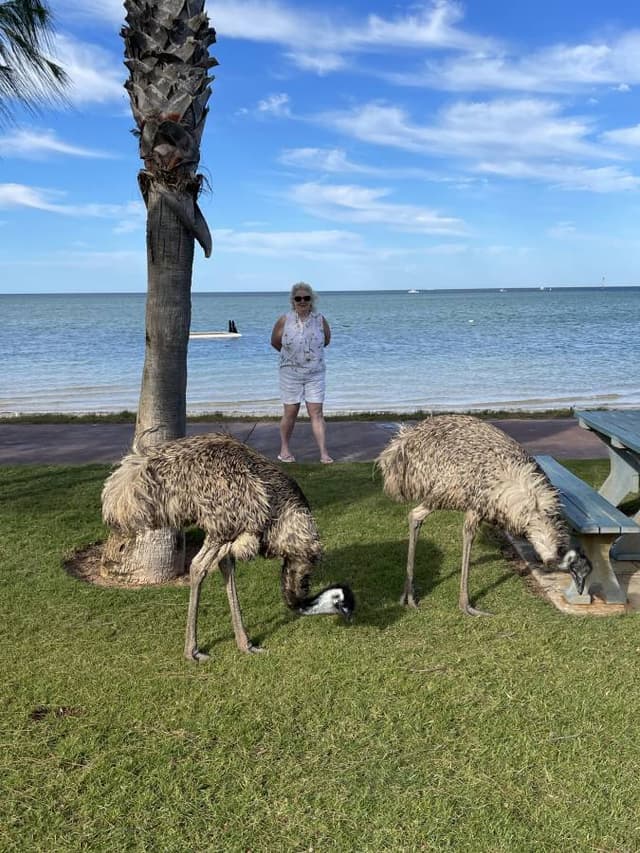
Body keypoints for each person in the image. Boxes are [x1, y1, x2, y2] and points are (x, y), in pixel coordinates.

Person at [271, 281, 333, 463]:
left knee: (317, 412)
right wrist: (292, 358)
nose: (302, 301)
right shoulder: (285, 320)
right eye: (298, 298)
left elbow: (326, 341)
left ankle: (323, 453)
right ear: (293, 301)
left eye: (306, 298)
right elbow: (275, 342)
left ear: (312, 300)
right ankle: (284, 450)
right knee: (291, 412)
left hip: (315, 373)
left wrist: (310, 357)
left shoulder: (320, 320)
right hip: (290, 374)